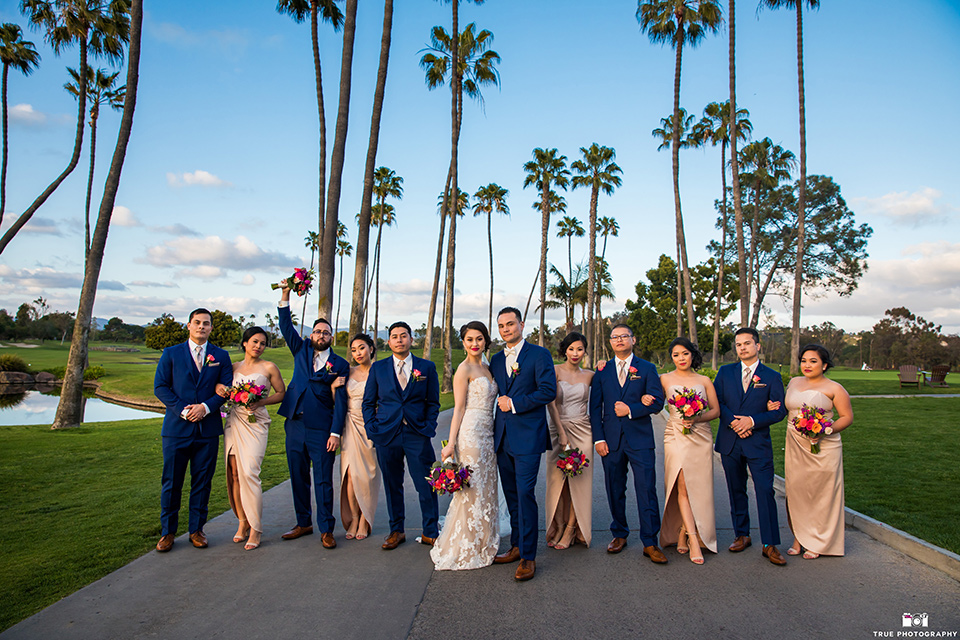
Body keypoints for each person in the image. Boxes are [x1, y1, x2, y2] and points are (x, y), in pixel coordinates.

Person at [154, 308, 233, 552]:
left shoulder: (221, 355)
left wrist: (206, 408)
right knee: (172, 482)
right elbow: (161, 387)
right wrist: (184, 410)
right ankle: (167, 532)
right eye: (197, 322)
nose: (201, 327)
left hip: (207, 431)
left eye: (206, 323)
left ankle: (197, 530)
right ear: (188, 325)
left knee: (202, 483)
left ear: (211, 328)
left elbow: (226, 388)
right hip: (176, 430)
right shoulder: (171, 353)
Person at [277, 284, 350, 549]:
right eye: (317, 331)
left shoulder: (340, 364)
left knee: (322, 479)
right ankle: (303, 523)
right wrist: (285, 295)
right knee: (298, 477)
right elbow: (285, 325)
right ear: (312, 334)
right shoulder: (301, 350)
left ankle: (327, 529)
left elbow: (340, 401)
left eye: (326, 332)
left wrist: (335, 432)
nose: (321, 335)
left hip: (321, 429)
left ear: (332, 337)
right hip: (294, 423)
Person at [490, 307, 557, 582]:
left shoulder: (539, 355)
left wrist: (514, 403)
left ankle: (529, 557)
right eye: (501, 326)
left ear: (522, 324)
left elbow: (547, 391)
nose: (506, 329)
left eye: (510, 324)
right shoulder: (495, 359)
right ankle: (516, 546)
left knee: (525, 493)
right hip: (502, 437)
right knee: (512, 495)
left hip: (528, 437)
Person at [590, 324, 667, 563]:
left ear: (633, 339)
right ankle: (619, 534)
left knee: (646, 489)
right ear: (610, 342)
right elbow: (595, 408)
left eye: (624, 336)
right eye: (615, 337)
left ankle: (650, 542)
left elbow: (657, 402)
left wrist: (632, 409)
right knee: (615, 489)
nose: (620, 340)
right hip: (611, 441)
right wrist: (599, 439)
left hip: (640, 439)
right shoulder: (602, 371)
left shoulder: (647, 368)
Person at [362, 321, 440, 550]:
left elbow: (433, 402)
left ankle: (430, 531)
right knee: (392, 484)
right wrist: (372, 429)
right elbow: (368, 403)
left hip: (417, 434)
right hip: (387, 435)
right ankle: (396, 531)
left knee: (425, 484)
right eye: (394, 336)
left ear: (411, 339)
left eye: (403, 335)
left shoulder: (426, 367)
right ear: (389, 341)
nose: (399, 340)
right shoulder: (378, 369)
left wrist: (429, 427)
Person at [714, 327, 788, 565]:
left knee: (765, 491)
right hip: (731, 441)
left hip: (757, 443)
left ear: (758, 346)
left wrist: (753, 421)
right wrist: (735, 422)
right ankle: (741, 534)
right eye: (738, 344)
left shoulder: (771, 376)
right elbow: (718, 403)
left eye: (747, 343)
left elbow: (779, 411)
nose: (742, 347)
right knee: (736, 490)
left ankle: (770, 543)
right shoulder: (725, 373)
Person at [430, 321, 500, 570]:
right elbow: (458, 408)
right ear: (464, 342)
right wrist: (451, 444)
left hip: (488, 433)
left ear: (485, 340)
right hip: (470, 433)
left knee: (486, 486)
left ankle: (484, 536)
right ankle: (466, 542)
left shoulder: (489, 367)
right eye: (470, 339)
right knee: (472, 488)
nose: (474, 344)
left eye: (479, 339)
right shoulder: (464, 369)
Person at [776, 344, 853, 558]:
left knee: (820, 493)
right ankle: (799, 538)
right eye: (804, 361)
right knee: (797, 490)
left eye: (813, 361)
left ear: (824, 365)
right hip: (795, 443)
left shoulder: (834, 388)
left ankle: (819, 542)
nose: (807, 365)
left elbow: (847, 417)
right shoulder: (793, 382)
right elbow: (787, 408)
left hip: (823, 446)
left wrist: (825, 431)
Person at [218, 327, 285, 550]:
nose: (258, 346)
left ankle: (256, 527)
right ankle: (242, 522)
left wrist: (261, 402)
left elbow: (281, 393)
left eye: (263, 343)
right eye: (254, 342)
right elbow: (221, 387)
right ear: (245, 343)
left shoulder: (269, 367)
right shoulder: (233, 367)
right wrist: (221, 388)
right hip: (234, 421)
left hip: (255, 424)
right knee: (235, 474)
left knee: (250, 473)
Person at [658, 337, 720, 565]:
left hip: (700, 436)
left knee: (698, 485)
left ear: (692, 355)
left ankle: (684, 529)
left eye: (684, 353)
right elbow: (655, 403)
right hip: (674, 434)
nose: (681, 358)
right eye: (676, 355)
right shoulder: (664, 379)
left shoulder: (704, 380)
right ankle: (694, 539)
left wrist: (696, 417)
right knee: (681, 483)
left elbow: (715, 411)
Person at [545, 331, 594, 550]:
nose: (575, 353)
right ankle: (559, 523)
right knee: (558, 481)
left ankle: (572, 528)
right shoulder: (554, 371)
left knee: (579, 481)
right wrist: (561, 432)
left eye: (580, 349)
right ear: (565, 350)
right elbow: (551, 403)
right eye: (571, 349)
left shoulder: (591, 375)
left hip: (583, 430)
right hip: (558, 430)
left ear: (585, 351)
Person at [334, 334, 381, 541]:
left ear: (371, 348)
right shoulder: (347, 372)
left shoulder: (380, 371)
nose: (357, 353)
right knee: (351, 475)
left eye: (361, 348)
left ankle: (365, 518)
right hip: (350, 425)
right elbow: (340, 402)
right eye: (353, 350)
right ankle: (354, 517)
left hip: (371, 428)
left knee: (367, 476)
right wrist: (333, 387)